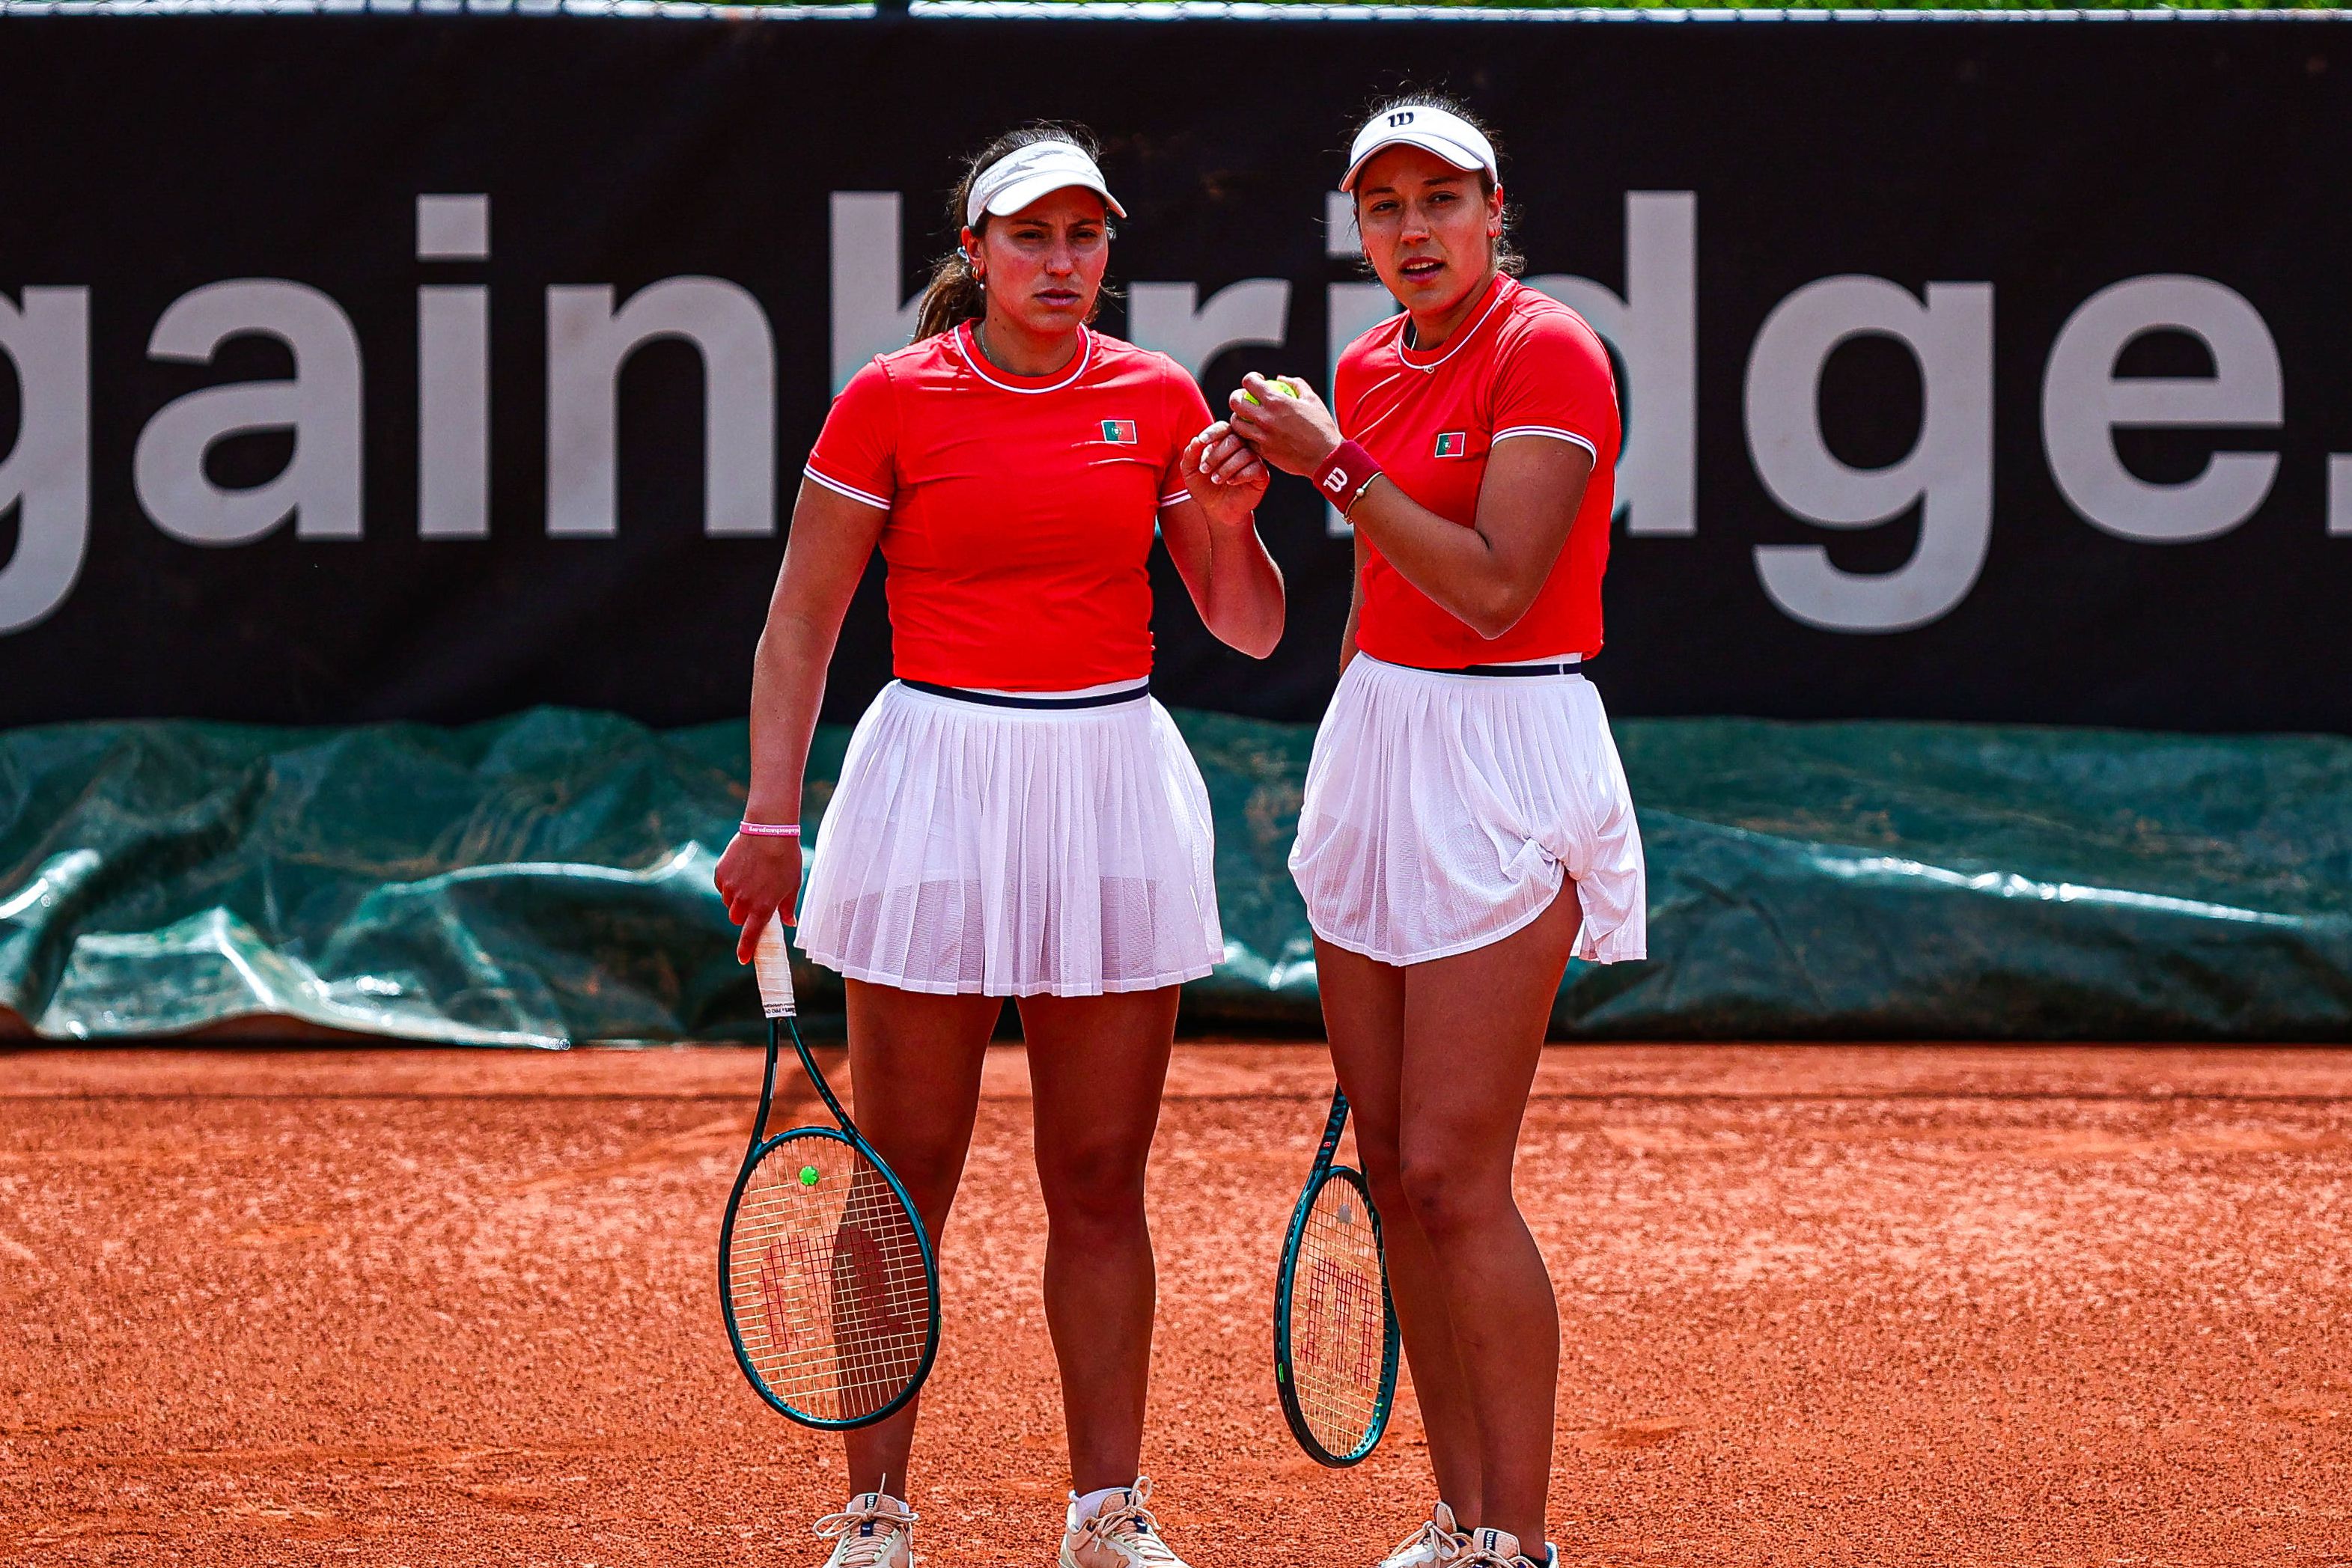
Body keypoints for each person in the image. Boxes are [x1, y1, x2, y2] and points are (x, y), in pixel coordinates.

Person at [712, 126, 1285, 1568]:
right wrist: (770, 818)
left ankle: (1106, 1511)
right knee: (905, 1166)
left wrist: (1226, 520)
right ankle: (876, 1511)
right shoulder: (889, 402)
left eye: (1085, 237)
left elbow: (1248, 625)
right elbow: (801, 625)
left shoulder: (1155, 397)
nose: (1062, 263)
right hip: (936, 781)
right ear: (975, 254)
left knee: (1099, 1176)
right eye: (1031, 237)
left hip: (1107, 778)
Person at [1211, 97, 1646, 1568]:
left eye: (1439, 200)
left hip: (1507, 744)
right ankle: (1458, 1519)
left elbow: (1492, 586)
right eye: (1383, 207)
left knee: (1457, 1169)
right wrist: (1346, 758)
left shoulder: (1550, 352)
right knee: (1393, 1165)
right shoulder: (1359, 366)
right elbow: (1379, 593)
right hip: (1380, 744)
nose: (1412, 231)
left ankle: (1518, 1540)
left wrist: (1328, 464)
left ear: (1491, 208)